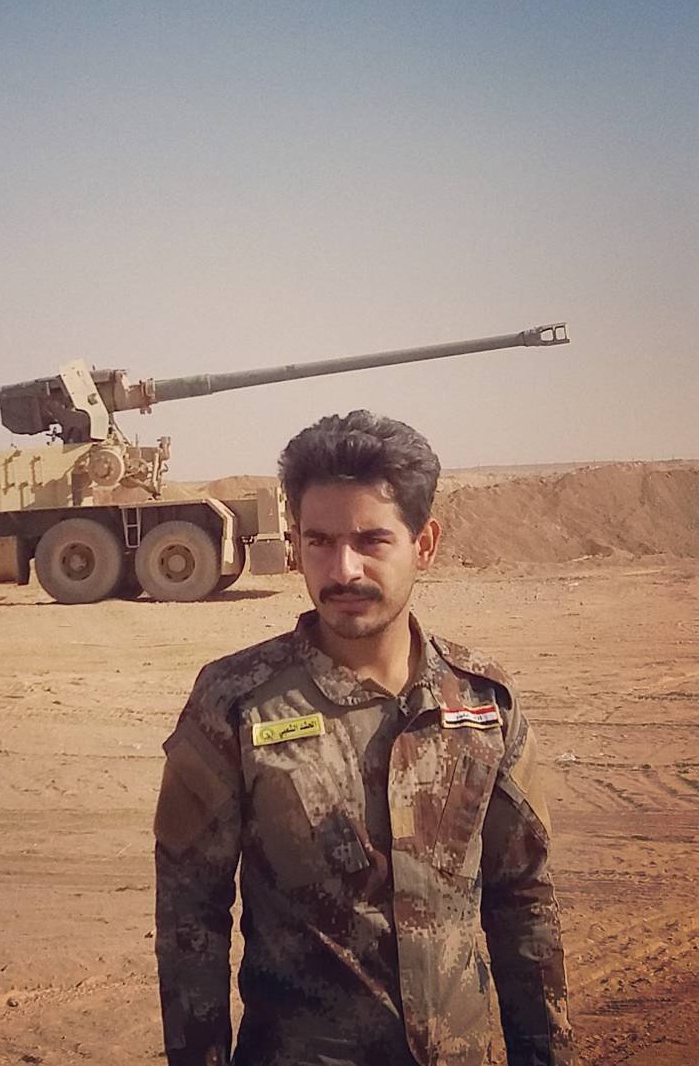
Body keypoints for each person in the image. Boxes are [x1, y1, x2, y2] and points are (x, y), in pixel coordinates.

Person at [153, 410, 571, 1066]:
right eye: (319, 541)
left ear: (424, 545)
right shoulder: (233, 701)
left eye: (372, 540)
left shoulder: (483, 702)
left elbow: (524, 902)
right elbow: (190, 920)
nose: (342, 569)